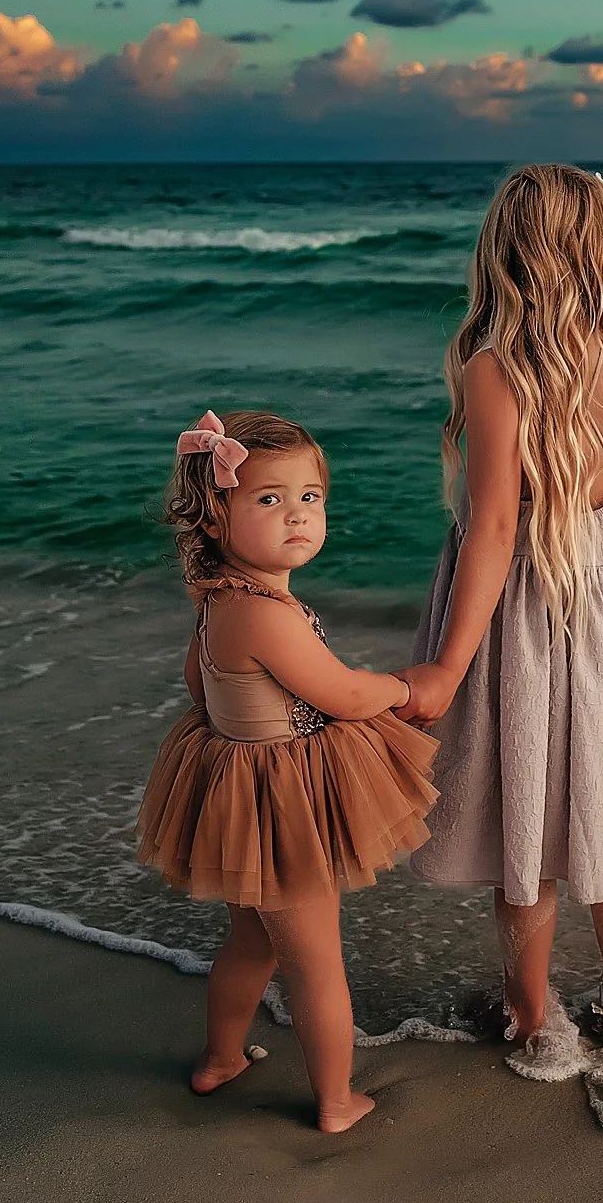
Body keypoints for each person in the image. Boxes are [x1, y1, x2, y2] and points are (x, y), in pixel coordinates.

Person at [397, 164, 603, 1081]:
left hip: (519, 622)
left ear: (507, 252)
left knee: (523, 818)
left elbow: (496, 526)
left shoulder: (497, 371)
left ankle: (534, 1022)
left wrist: (450, 668)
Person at [137, 410, 437, 1131]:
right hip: (280, 802)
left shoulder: (219, 601)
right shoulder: (267, 614)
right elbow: (341, 694)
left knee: (251, 940)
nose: (297, 515)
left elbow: (196, 685)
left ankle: (220, 1059)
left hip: (240, 788)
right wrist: (405, 686)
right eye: (269, 500)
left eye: (310, 497)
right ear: (214, 518)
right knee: (314, 962)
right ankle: (337, 1101)